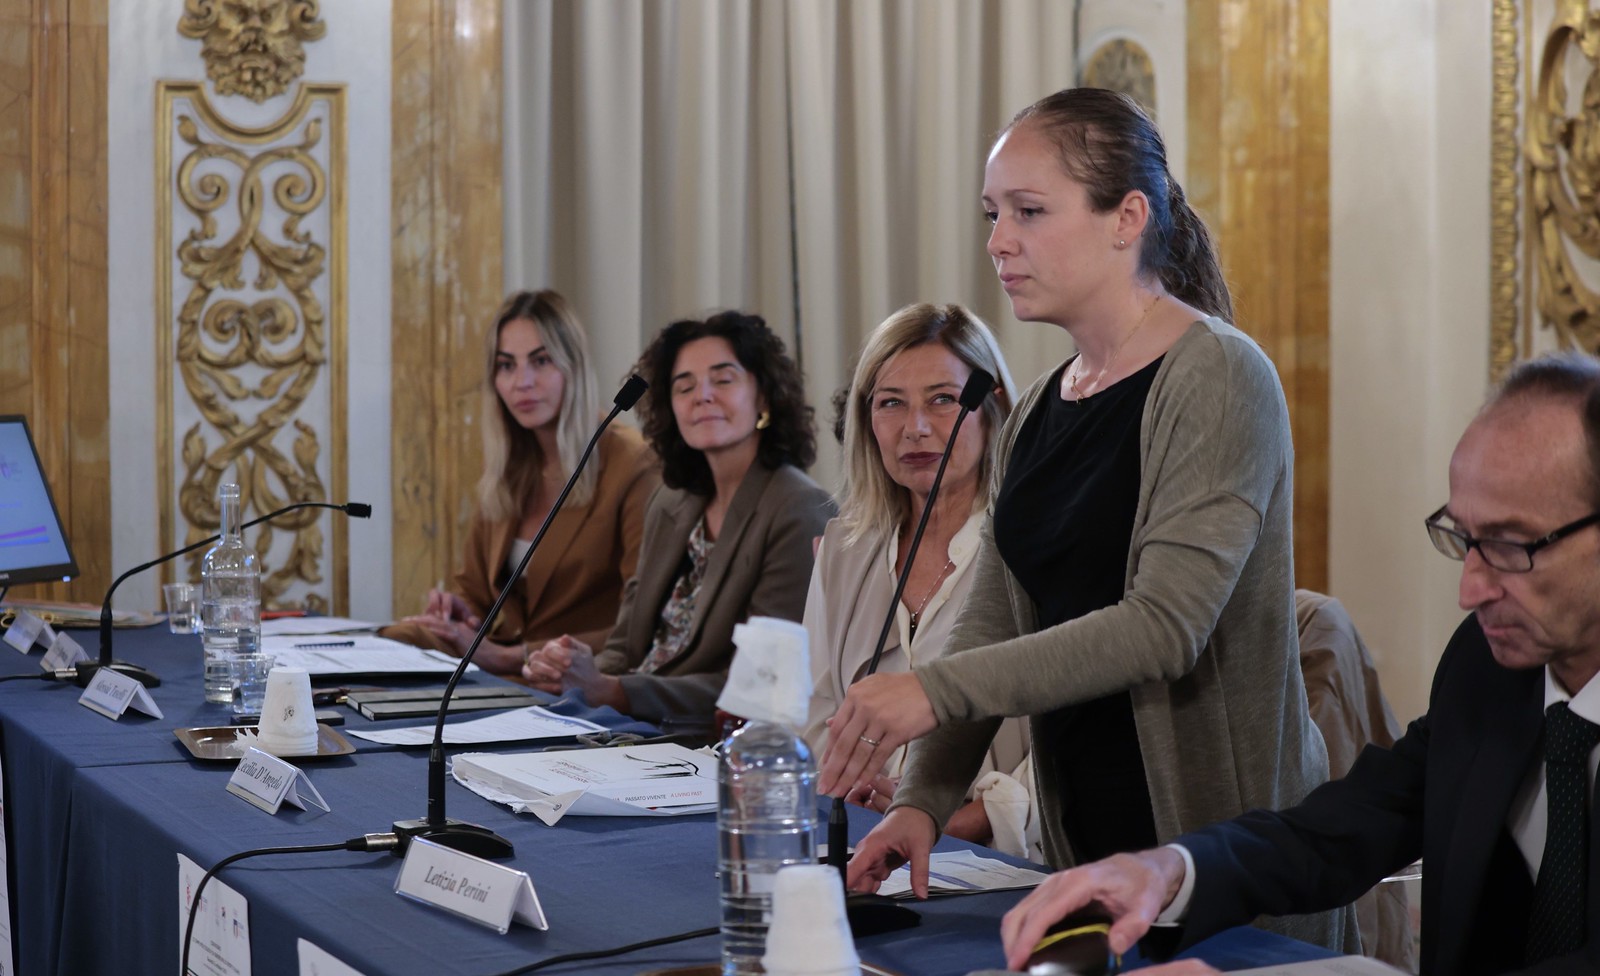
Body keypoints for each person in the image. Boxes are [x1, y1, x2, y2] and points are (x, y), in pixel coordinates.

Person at [818, 87, 1346, 950]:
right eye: (993, 214)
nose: (998, 242)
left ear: (1126, 217)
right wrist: (923, 799)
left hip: (1219, 866)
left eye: (1029, 211)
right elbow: (991, 617)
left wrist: (929, 691)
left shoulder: (1217, 376)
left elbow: (1164, 626)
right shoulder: (1035, 408)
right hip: (1082, 864)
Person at [999, 351, 1600, 976]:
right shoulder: (1489, 666)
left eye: (1508, 545)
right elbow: (1350, 826)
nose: (1469, 591)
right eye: (1464, 540)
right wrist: (1169, 870)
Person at [803, 303, 1038, 858]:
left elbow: (1087, 731)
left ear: (992, 407)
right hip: (863, 838)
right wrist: (856, 793)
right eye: (891, 403)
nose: (916, 428)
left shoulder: (1041, 545)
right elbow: (814, 712)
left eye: (943, 399)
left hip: (1002, 856)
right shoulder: (843, 549)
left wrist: (977, 819)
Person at [523, 311, 835, 728]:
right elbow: (625, 644)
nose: (701, 396)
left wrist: (614, 691)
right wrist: (574, 670)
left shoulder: (799, 508)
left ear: (764, 397)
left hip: (704, 744)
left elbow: (762, 686)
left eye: (723, 380)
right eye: (684, 386)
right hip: (624, 724)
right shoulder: (671, 501)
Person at [383, 290, 658, 675]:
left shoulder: (633, 465)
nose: (522, 382)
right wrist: (459, 613)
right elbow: (476, 592)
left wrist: (511, 656)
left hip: (577, 677)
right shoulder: (509, 464)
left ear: (573, 366)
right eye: (506, 365)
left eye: (541, 361)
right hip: (501, 669)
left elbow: (644, 624)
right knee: (393, 641)